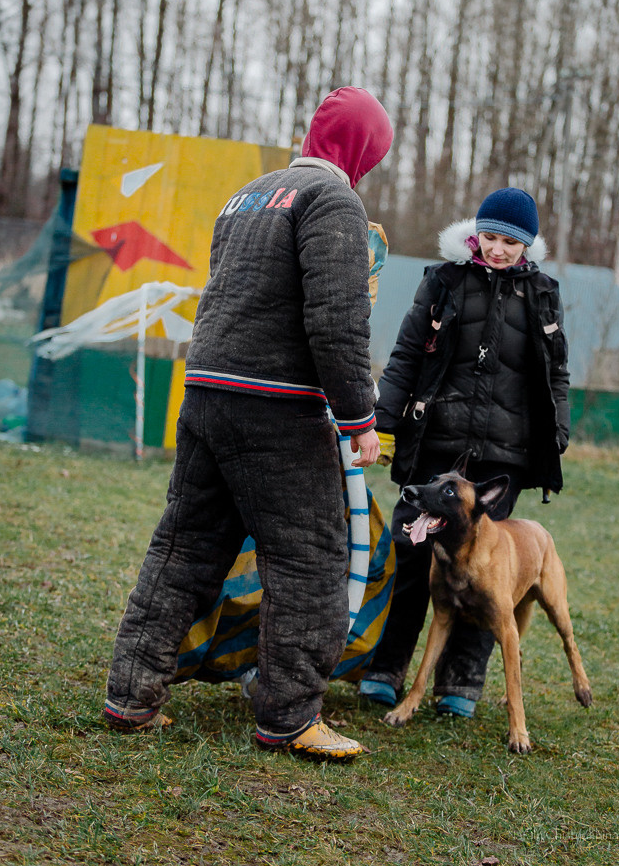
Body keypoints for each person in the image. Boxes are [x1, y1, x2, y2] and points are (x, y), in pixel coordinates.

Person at [104, 86, 393, 760]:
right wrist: (358, 419)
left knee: (184, 547)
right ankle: (289, 717)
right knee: (312, 558)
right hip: (274, 406)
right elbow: (336, 321)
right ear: (361, 150)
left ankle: (130, 696)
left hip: (205, 390)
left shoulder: (248, 195)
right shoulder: (334, 202)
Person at [359, 187, 570, 717]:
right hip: (439, 444)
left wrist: (556, 434)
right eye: (490, 237)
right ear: (476, 234)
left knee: (490, 569)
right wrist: (383, 424)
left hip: (504, 456)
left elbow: (555, 373)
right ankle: (387, 668)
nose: (497, 250)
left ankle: (461, 682)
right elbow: (407, 353)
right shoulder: (444, 281)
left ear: (527, 245)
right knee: (412, 552)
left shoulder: (543, 293)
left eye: (509, 242)